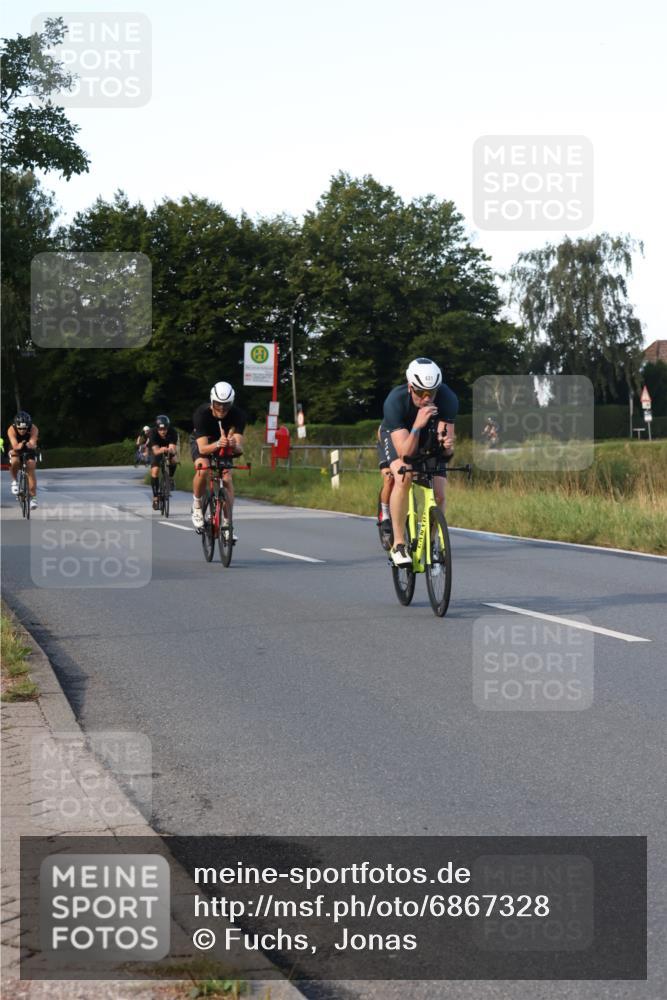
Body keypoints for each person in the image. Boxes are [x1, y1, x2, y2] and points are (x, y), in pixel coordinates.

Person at [378, 358, 458, 567]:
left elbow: (446, 454)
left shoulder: (448, 399)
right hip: (399, 436)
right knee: (403, 476)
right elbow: (405, 454)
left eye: (431, 393)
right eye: (421, 392)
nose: (427, 398)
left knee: (439, 494)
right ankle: (398, 544)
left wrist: (447, 444)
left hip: (426, 436)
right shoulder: (395, 401)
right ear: (410, 387)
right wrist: (417, 424)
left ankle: (430, 541)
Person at [190, 382, 246, 530]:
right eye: (218, 404)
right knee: (203, 468)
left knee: (227, 478)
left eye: (226, 405)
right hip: (204, 442)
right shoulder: (201, 414)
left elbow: (240, 449)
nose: (221, 408)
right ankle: (196, 504)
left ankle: (227, 524)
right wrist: (217, 444)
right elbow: (202, 448)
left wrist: (233, 444)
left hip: (225, 443)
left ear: (231, 403)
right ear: (212, 401)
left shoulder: (238, 415)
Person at [7, 411, 40, 510]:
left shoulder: (34, 428)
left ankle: (33, 498)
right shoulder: (11, 429)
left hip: (28, 447)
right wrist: (18, 446)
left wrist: (30, 444)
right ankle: (14, 481)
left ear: (28, 426)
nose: (22, 430)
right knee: (15, 461)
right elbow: (15, 445)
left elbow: (33, 442)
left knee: (31, 465)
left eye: (25, 428)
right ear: (16, 426)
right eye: (20, 428)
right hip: (16, 446)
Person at [147, 415, 179, 509]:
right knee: (155, 470)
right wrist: (162, 449)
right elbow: (156, 451)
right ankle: (155, 497)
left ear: (168, 427)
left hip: (168, 449)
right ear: (156, 428)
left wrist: (170, 450)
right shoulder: (152, 433)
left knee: (174, 460)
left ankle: (170, 478)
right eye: (160, 429)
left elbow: (173, 448)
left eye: (165, 429)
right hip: (156, 450)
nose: (163, 431)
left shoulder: (173, 432)